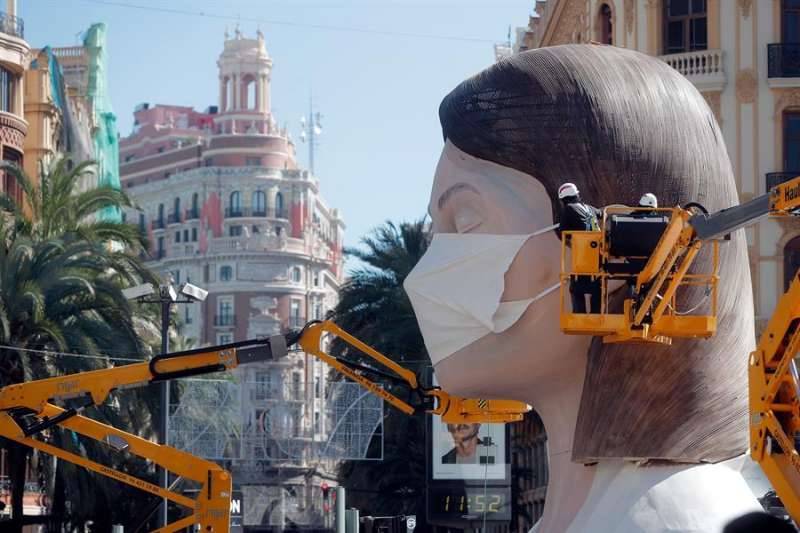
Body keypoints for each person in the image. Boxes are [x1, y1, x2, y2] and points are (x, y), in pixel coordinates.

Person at [558, 182, 602, 314]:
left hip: (583, 253)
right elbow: (600, 213)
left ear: (564, 199)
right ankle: (595, 314)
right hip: (598, 253)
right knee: (596, 284)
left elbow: (563, 231)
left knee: (576, 286)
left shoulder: (568, 209)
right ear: (576, 194)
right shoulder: (589, 208)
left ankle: (579, 314)